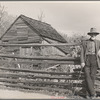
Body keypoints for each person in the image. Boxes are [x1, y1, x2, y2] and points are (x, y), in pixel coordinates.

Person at [81, 27, 100, 99]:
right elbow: (82, 53)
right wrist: (82, 61)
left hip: (95, 60)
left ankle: (88, 94)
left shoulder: (99, 42)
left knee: (92, 77)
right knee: (87, 76)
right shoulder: (85, 42)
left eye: (94, 34)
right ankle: (93, 93)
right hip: (87, 59)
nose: (93, 35)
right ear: (90, 34)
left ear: (96, 35)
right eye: (92, 34)